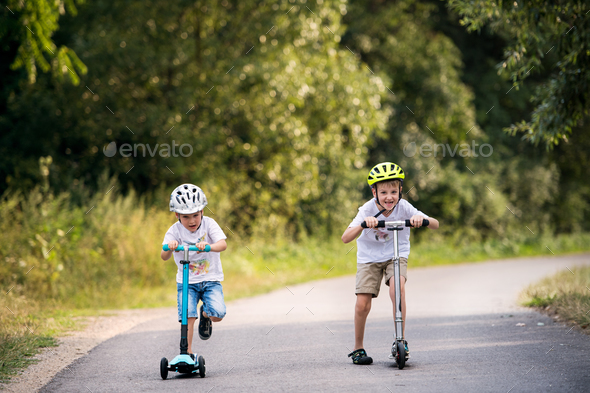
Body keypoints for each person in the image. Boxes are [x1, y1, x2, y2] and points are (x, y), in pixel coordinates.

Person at [342, 162, 439, 365]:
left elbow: (435, 224)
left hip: (396, 254)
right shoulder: (366, 209)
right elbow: (345, 238)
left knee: (398, 290)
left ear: (400, 190)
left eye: (394, 191)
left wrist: (421, 219)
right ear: (374, 191)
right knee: (362, 303)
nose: (389, 197)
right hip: (369, 258)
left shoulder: (403, 207)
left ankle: (400, 341)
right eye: (383, 191)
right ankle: (358, 348)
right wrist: (362, 224)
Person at [161, 183, 228, 357]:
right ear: (177, 215)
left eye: (195, 215)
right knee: (187, 317)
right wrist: (170, 247)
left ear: (202, 212)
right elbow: (163, 255)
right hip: (187, 283)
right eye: (186, 217)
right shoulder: (174, 231)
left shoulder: (209, 224)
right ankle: (187, 353)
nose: (192, 221)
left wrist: (209, 246)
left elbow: (223, 244)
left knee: (218, 314)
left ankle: (205, 314)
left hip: (210, 280)